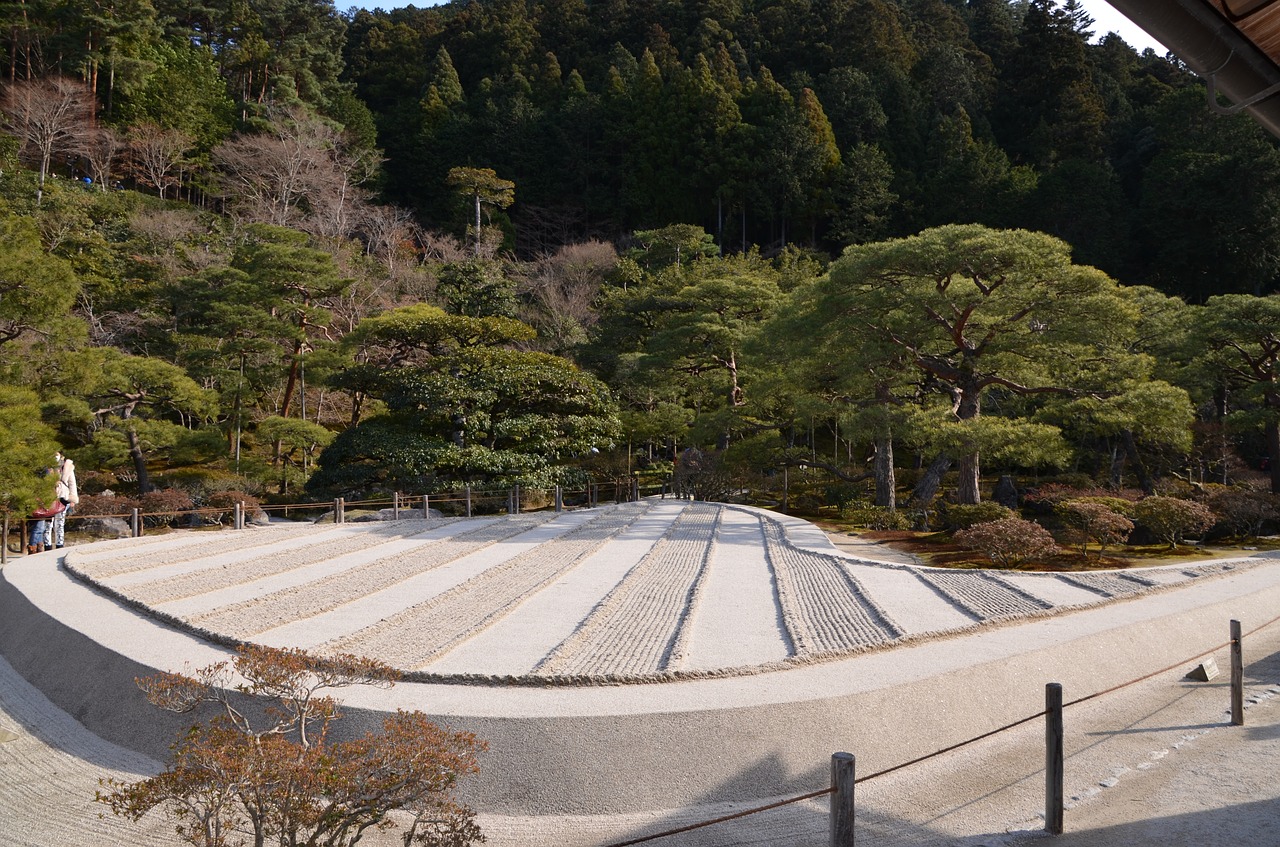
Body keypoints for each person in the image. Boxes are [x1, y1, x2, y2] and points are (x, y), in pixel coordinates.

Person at [28, 469, 64, 554]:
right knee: (39, 528)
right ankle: (33, 547)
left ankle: (38, 547)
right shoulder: (40, 482)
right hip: (40, 506)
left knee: (41, 528)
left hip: (45, 505)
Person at [50, 451, 78, 550]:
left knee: (60, 523)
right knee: (48, 524)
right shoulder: (47, 464)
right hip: (49, 497)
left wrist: (73, 498)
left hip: (63, 496)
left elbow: (72, 483)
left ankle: (59, 545)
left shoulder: (67, 466)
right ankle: (47, 545)